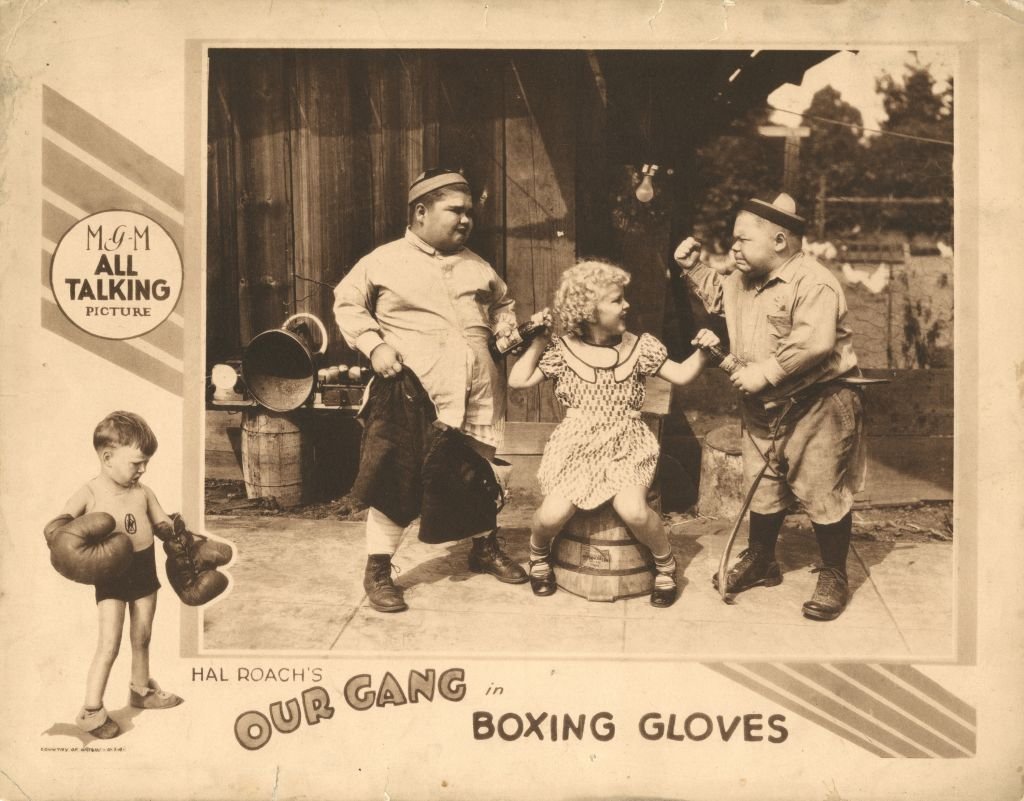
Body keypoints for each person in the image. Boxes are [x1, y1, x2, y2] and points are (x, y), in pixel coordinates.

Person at [333, 169, 529, 613]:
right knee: (395, 481)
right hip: (411, 392)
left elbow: (503, 303)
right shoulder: (382, 261)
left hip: (477, 390)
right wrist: (374, 344)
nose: (466, 220)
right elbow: (347, 303)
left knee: (477, 473)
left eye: (469, 213)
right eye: (455, 210)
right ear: (421, 212)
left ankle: (483, 548)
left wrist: (505, 328)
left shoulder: (478, 265)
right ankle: (379, 569)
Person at [673, 193, 865, 621]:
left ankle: (834, 572)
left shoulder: (813, 282)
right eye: (732, 240)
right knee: (762, 485)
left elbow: (815, 342)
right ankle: (762, 559)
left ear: (780, 241)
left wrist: (766, 371)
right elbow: (719, 297)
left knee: (820, 489)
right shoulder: (744, 277)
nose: (733, 248)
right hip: (763, 405)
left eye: (742, 240)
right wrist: (693, 268)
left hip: (818, 404)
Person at [508, 259, 721, 607]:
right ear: (589, 312)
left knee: (634, 510)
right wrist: (538, 343)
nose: (627, 305)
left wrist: (703, 350)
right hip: (577, 446)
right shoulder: (562, 351)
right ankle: (538, 554)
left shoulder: (639, 347)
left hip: (626, 441)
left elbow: (681, 375)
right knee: (551, 515)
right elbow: (518, 381)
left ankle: (666, 564)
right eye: (616, 300)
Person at [55, 412, 183, 739]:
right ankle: (91, 711)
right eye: (137, 463)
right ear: (108, 458)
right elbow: (61, 525)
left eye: (146, 464)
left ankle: (140, 691)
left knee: (142, 637)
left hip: (144, 569)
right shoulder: (90, 491)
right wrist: (56, 534)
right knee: (108, 644)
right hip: (110, 574)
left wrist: (177, 531)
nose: (142, 470)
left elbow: (162, 524)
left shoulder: (144, 491)